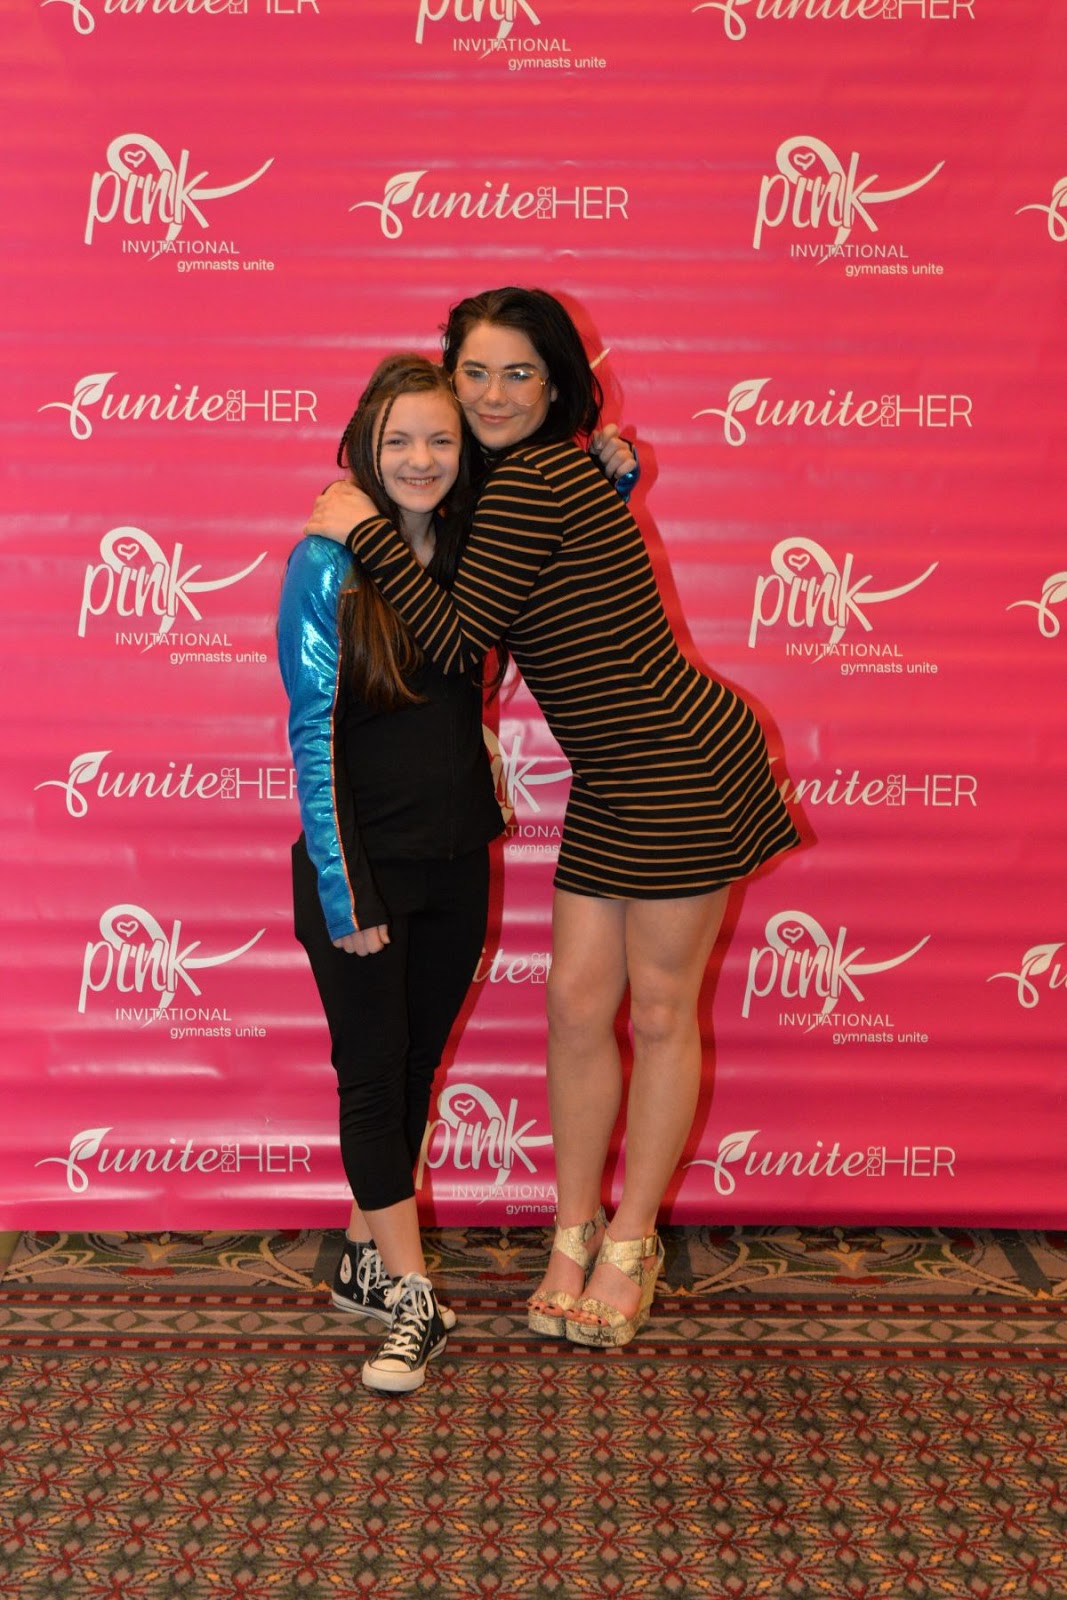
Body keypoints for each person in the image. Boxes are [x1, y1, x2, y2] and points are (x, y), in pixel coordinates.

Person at [304, 288, 801, 1347]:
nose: (493, 395)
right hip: (612, 777)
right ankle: (571, 1233)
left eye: (519, 373)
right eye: (474, 373)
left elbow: (453, 638)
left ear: (556, 382)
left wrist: (362, 530)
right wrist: (608, 468)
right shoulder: (518, 479)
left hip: (679, 761)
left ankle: (629, 1240)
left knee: (657, 1012)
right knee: (576, 1010)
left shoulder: (536, 477)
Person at [277, 354, 506, 1393]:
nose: (420, 458)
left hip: (457, 862)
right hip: (360, 868)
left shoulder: (472, 551)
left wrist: (616, 466)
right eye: (399, 439)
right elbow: (311, 733)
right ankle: (413, 1301)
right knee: (372, 1075)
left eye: (440, 439)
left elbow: (566, 512)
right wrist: (344, 890)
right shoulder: (323, 560)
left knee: (414, 1066)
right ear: (365, 447)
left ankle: (365, 1257)